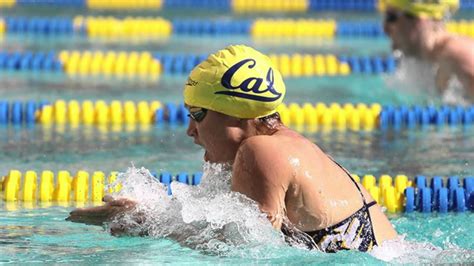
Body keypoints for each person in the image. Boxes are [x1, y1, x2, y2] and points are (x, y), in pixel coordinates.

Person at [67, 45, 398, 253]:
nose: (190, 130)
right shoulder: (286, 146)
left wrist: (147, 223)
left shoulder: (261, 152)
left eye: (198, 114)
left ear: (236, 114)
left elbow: (251, 253)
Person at [380, 0, 474, 101]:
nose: (385, 28)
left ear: (420, 18)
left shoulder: (458, 55)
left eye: (391, 17)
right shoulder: (427, 61)